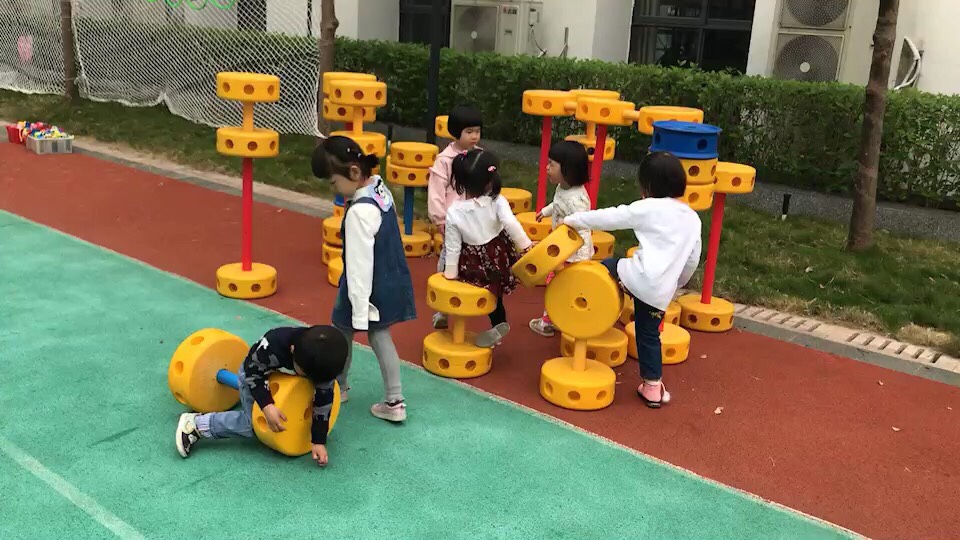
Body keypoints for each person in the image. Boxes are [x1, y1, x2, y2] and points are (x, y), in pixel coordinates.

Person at [560, 151, 702, 408]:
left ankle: (587, 314)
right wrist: (678, 282)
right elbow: (692, 259)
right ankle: (652, 387)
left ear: (647, 186)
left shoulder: (648, 208)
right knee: (648, 335)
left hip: (635, 276)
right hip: (660, 291)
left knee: (604, 268)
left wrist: (572, 219)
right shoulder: (693, 218)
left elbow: (610, 217)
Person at [312, 135, 416, 423]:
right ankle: (391, 398)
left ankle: (342, 388)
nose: (333, 190)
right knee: (376, 334)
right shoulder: (379, 188)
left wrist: (359, 310)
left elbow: (359, 266)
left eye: (333, 183)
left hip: (365, 287)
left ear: (354, 172)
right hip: (390, 276)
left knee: (345, 331)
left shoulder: (359, 212)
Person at [175, 325, 349, 467]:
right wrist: (266, 405)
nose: (313, 380)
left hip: (283, 380)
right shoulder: (274, 344)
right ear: (293, 350)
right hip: (254, 375)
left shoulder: (324, 364)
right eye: (306, 374)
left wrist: (318, 441)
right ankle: (197, 424)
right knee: (253, 425)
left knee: (320, 390)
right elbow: (253, 374)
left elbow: (323, 403)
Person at [443, 149, 532, 348]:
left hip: (471, 260)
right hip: (497, 255)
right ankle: (498, 325)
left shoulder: (454, 211)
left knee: (459, 288)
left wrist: (450, 273)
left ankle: (445, 313)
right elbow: (511, 223)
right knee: (494, 294)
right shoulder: (497, 201)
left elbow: (453, 246)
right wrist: (525, 245)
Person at [529, 140, 593, 337]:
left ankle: (549, 322)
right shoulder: (563, 188)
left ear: (567, 169)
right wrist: (546, 211)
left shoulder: (576, 200)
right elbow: (557, 204)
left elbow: (582, 224)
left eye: (552, 164)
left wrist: (565, 225)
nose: (546, 168)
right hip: (564, 248)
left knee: (557, 285)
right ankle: (561, 318)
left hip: (573, 253)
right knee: (560, 285)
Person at [428, 105, 483, 330]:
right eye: (469, 131)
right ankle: (442, 310)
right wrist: (440, 219)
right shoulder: (445, 160)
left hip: (475, 221)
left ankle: (468, 303)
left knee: (473, 261)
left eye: (477, 131)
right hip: (452, 222)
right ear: (456, 131)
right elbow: (436, 192)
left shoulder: (480, 157)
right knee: (448, 261)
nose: (474, 136)